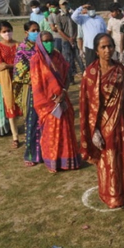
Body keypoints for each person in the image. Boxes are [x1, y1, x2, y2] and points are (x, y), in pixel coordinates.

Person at [79, 33, 124, 208]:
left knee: (123, 158)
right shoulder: (90, 74)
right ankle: (110, 195)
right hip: (102, 126)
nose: (107, 50)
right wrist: (93, 130)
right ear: (96, 50)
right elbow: (86, 105)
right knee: (107, 160)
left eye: (110, 46)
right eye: (103, 47)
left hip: (121, 123)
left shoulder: (121, 71)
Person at [30, 31, 81, 172]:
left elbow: (67, 76)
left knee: (67, 128)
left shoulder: (58, 57)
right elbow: (37, 84)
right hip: (47, 104)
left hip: (63, 99)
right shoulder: (36, 60)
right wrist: (52, 100)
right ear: (40, 43)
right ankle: (54, 162)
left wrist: (63, 92)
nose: (49, 43)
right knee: (52, 132)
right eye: (46, 41)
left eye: (51, 40)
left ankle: (69, 160)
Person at [14, 21, 43, 166]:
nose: (36, 32)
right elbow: (19, 73)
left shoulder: (43, 45)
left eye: (38, 30)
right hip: (31, 89)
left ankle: (46, 152)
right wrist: (38, 76)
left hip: (45, 89)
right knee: (32, 122)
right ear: (26, 32)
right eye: (33, 30)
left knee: (45, 122)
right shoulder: (22, 48)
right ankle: (30, 155)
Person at [0, 21, 22, 148]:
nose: (7, 33)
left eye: (9, 30)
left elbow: (22, 64)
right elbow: (0, 65)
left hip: (20, 78)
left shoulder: (18, 45)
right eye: (4, 31)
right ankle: (15, 137)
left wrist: (8, 66)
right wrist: (13, 66)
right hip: (6, 80)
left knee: (23, 104)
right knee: (10, 106)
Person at [72, 3, 108, 68]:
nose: (91, 10)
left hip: (100, 46)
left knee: (102, 65)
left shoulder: (100, 19)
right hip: (90, 47)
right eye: (89, 9)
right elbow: (73, 16)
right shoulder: (83, 18)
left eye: (92, 9)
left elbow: (105, 31)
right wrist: (82, 7)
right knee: (91, 66)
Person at [57, 0, 78, 85]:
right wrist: (69, 38)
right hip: (65, 41)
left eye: (66, 4)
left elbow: (77, 27)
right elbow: (59, 30)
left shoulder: (73, 15)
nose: (64, 6)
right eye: (63, 4)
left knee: (78, 59)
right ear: (60, 6)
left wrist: (74, 37)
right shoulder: (59, 17)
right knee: (68, 60)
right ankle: (70, 78)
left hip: (74, 39)